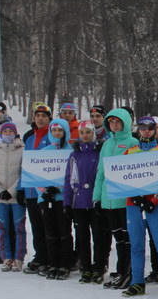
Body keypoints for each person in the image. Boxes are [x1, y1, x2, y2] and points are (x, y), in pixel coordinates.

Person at [122, 116, 158, 297]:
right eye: (143, 127)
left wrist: (154, 200)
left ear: (155, 129)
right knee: (137, 244)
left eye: (150, 127)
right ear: (138, 130)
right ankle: (137, 281)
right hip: (134, 203)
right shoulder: (130, 151)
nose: (146, 130)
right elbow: (122, 179)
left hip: (156, 204)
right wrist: (135, 197)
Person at [92, 108, 138, 290]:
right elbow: (100, 173)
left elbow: (135, 172)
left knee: (128, 238)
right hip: (108, 198)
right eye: (111, 122)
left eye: (118, 121)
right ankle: (121, 271)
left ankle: (129, 272)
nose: (114, 125)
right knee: (118, 238)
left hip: (125, 200)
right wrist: (97, 197)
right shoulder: (106, 144)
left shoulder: (133, 142)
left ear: (125, 122)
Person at [65, 120, 109, 284]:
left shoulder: (99, 152)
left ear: (93, 134)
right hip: (79, 202)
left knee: (99, 236)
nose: (85, 136)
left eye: (88, 132)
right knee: (82, 237)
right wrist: (67, 202)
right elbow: (68, 179)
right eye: (82, 133)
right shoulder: (74, 154)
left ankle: (98, 268)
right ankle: (86, 268)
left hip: (95, 201)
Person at [0, 121, 26, 271]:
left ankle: (19, 257)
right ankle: (6, 257)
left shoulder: (22, 149)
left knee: (18, 227)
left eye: (10, 131)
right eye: (5, 131)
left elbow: (24, 172)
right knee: (2, 227)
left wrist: (12, 191)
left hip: (15, 197)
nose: (8, 134)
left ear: (15, 133)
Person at [37, 119, 74, 279]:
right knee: (50, 231)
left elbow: (73, 176)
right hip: (46, 197)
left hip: (63, 198)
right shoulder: (45, 151)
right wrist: (44, 190)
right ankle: (53, 263)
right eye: (54, 130)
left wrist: (59, 189)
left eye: (60, 130)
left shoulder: (71, 150)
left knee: (64, 231)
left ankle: (65, 264)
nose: (57, 133)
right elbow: (36, 174)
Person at [21, 103, 55, 275]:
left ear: (49, 118)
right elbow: (25, 164)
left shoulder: (53, 136)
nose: (40, 119)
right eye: (38, 115)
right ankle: (40, 255)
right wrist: (22, 188)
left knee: (48, 226)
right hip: (31, 190)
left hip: (47, 192)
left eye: (44, 116)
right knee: (35, 226)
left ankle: (51, 258)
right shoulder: (28, 136)